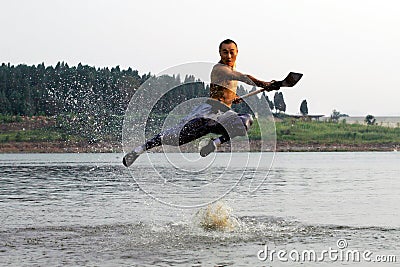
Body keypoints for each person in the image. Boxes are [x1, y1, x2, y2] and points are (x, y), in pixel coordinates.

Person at [123, 39, 281, 167]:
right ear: (220, 53)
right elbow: (242, 77)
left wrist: (233, 99)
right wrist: (265, 84)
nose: (228, 55)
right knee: (175, 139)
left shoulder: (231, 71)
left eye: (232, 52)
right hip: (207, 112)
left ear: (237, 52)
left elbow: (227, 91)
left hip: (223, 115)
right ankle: (138, 150)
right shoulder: (220, 69)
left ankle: (214, 144)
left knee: (246, 121)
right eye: (225, 52)